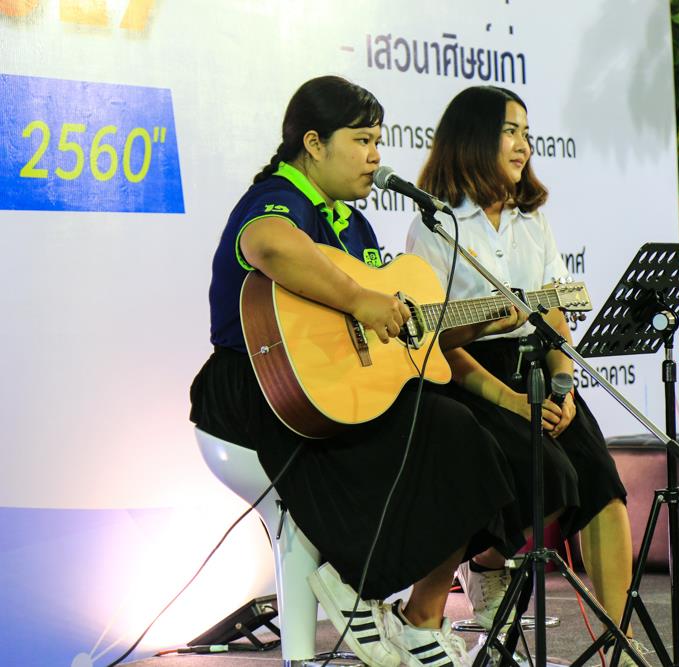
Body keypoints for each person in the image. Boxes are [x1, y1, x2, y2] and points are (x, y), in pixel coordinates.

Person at [190, 76, 527, 667]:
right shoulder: (278, 196)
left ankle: (385, 597)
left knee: (482, 434)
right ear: (313, 143)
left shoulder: (354, 225)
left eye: (379, 142)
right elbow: (271, 245)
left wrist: (478, 323)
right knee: (450, 431)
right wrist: (357, 298)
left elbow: (388, 332)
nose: (376, 156)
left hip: (333, 391)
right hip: (257, 395)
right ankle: (357, 578)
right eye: (362, 141)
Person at [405, 86, 639, 654]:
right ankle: (485, 563)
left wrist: (564, 386)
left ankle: (621, 645)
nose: (523, 145)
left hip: (540, 367)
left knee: (602, 487)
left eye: (527, 134)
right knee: (547, 479)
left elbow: (553, 310)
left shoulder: (531, 218)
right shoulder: (436, 224)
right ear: (473, 137)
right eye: (510, 131)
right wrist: (511, 401)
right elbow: (438, 342)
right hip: (473, 378)